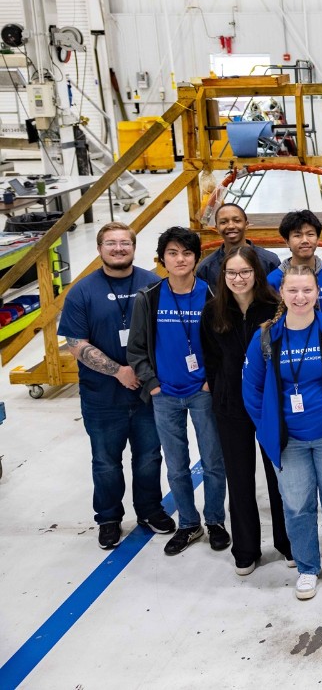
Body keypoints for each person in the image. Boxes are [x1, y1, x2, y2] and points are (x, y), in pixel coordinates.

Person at [243, 265, 322, 600]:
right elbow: (252, 389)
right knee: (297, 506)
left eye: (307, 290)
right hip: (289, 441)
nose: (300, 297)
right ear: (282, 293)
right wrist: (267, 425)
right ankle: (308, 567)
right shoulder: (266, 337)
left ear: (318, 293)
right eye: (293, 291)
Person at [59, 222, 173, 550]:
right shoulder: (82, 291)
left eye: (125, 243)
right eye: (111, 243)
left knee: (149, 456)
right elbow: (76, 343)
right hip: (102, 396)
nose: (118, 248)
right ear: (99, 249)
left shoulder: (153, 284)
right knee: (106, 461)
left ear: (134, 248)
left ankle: (150, 510)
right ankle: (108, 518)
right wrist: (118, 371)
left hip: (147, 393)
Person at [127, 226, 228, 556]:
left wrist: (211, 378)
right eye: (173, 253)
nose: (180, 259)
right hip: (165, 394)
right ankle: (188, 523)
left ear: (197, 258)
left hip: (202, 391)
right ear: (162, 259)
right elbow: (137, 348)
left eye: (187, 253)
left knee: (213, 462)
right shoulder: (149, 297)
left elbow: (225, 345)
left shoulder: (213, 295)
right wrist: (152, 383)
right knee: (177, 465)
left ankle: (214, 520)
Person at [200, 246, 292, 574]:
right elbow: (211, 358)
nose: (238, 279)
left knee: (279, 474)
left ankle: (287, 542)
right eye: (232, 273)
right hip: (230, 407)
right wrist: (221, 393)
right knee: (239, 479)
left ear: (256, 273)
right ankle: (246, 548)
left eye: (245, 272)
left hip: (269, 404)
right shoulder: (213, 311)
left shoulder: (274, 307)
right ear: (223, 277)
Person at [266, 210, 322, 316]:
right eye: (297, 235)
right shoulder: (273, 280)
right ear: (287, 241)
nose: (305, 240)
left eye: (310, 234)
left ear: (318, 239)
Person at [195, 202, 280, 285]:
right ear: (217, 228)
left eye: (237, 221)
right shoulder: (206, 268)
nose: (231, 226)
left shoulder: (269, 261)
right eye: (223, 222)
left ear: (246, 224)